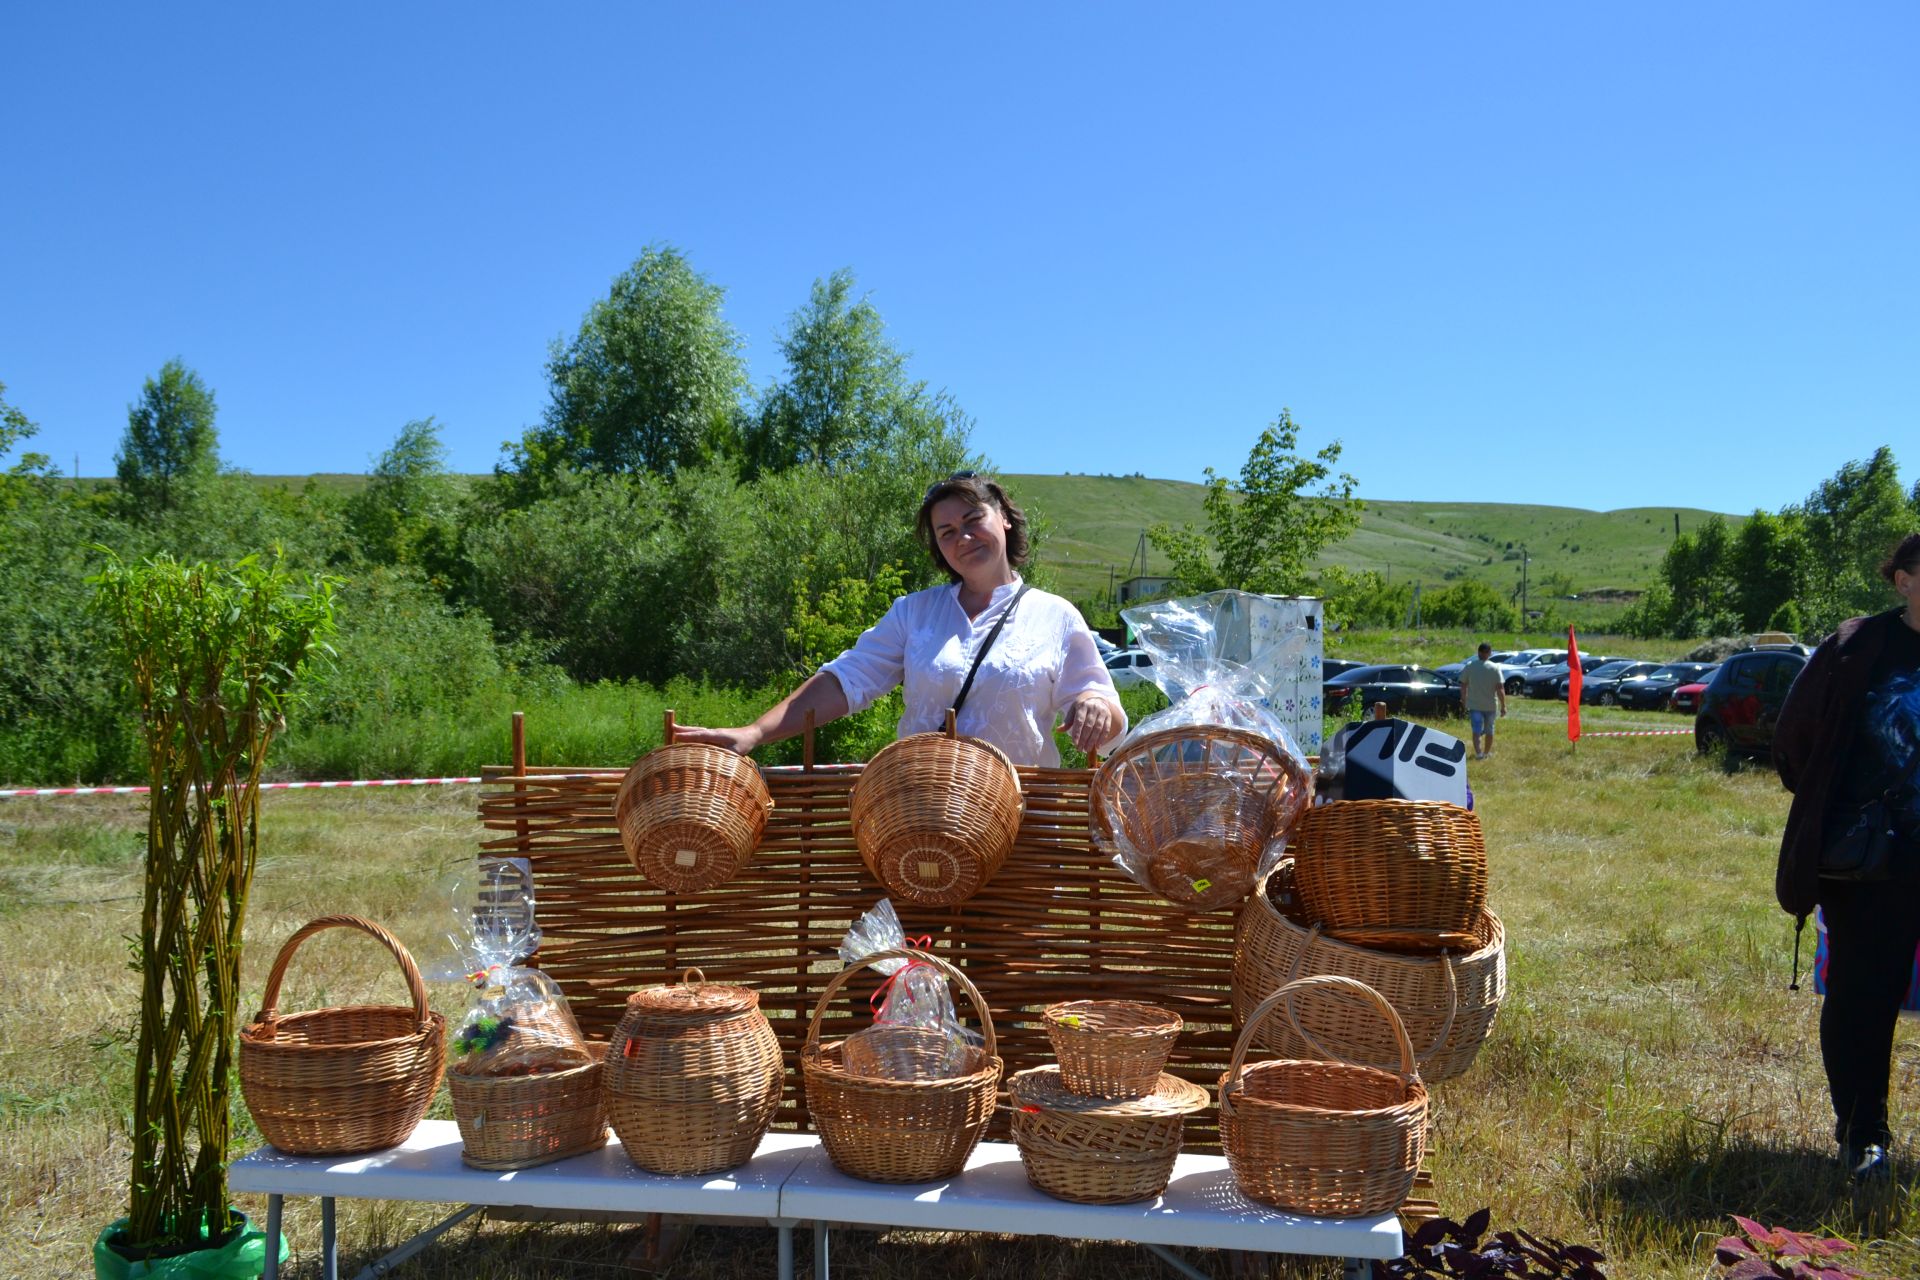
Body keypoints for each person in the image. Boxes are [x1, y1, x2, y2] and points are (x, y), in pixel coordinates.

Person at [676, 473, 1127, 767]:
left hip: (1022, 825)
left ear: (1005, 518)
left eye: (973, 519)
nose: (963, 537)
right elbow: (846, 681)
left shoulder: (1055, 616)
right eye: (946, 532)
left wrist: (1094, 706)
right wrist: (753, 733)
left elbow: (1104, 713)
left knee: (1012, 921)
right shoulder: (914, 613)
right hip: (918, 820)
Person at [1774, 532, 1920, 1181]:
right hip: (1874, 863)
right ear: (1903, 581)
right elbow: (1796, 739)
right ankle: (1864, 1133)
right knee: (1866, 995)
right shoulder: (1858, 647)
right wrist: (1843, 810)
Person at [1458, 642, 1506, 760]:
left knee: (1476, 730)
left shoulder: (1470, 666)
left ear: (1478, 652)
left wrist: (1464, 700)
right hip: (1490, 705)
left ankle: (1478, 753)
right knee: (1490, 730)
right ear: (1489, 653)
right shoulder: (1495, 668)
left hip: (1474, 705)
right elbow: (1500, 688)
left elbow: (1463, 685)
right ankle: (1486, 753)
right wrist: (1503, 706)